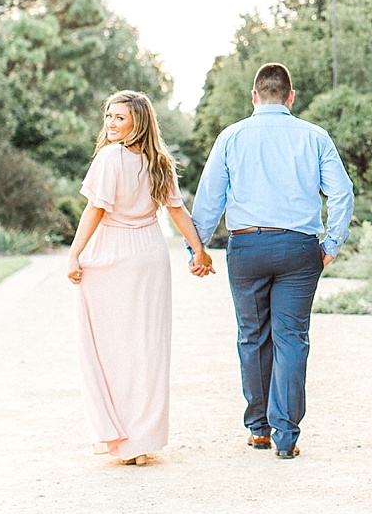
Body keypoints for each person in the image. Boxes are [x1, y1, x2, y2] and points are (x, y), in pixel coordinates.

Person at [190, 61, 354, 459]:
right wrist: (331, 245)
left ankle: (259, 429)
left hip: (247, 247)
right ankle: (286, 436)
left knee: (252, 336)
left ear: (254, 96)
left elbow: (209, 198)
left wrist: (197, 249)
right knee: (292, 338)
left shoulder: (231, 137)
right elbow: (342, 193)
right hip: (299, 249)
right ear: (290, 96)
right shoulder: (314, 136)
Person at [68, 90, 214, 465]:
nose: (111, 123)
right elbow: (178, 211)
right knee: (147, 348)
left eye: (120, 117)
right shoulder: (159, 161)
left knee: (112, 349)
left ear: (138, 122)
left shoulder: (109, 158)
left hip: (113, 256)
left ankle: (123, 438)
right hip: (150, 255)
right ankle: (141, 441)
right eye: (109, 116)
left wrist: (74, 253)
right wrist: (198, 250)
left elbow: (95, 210)